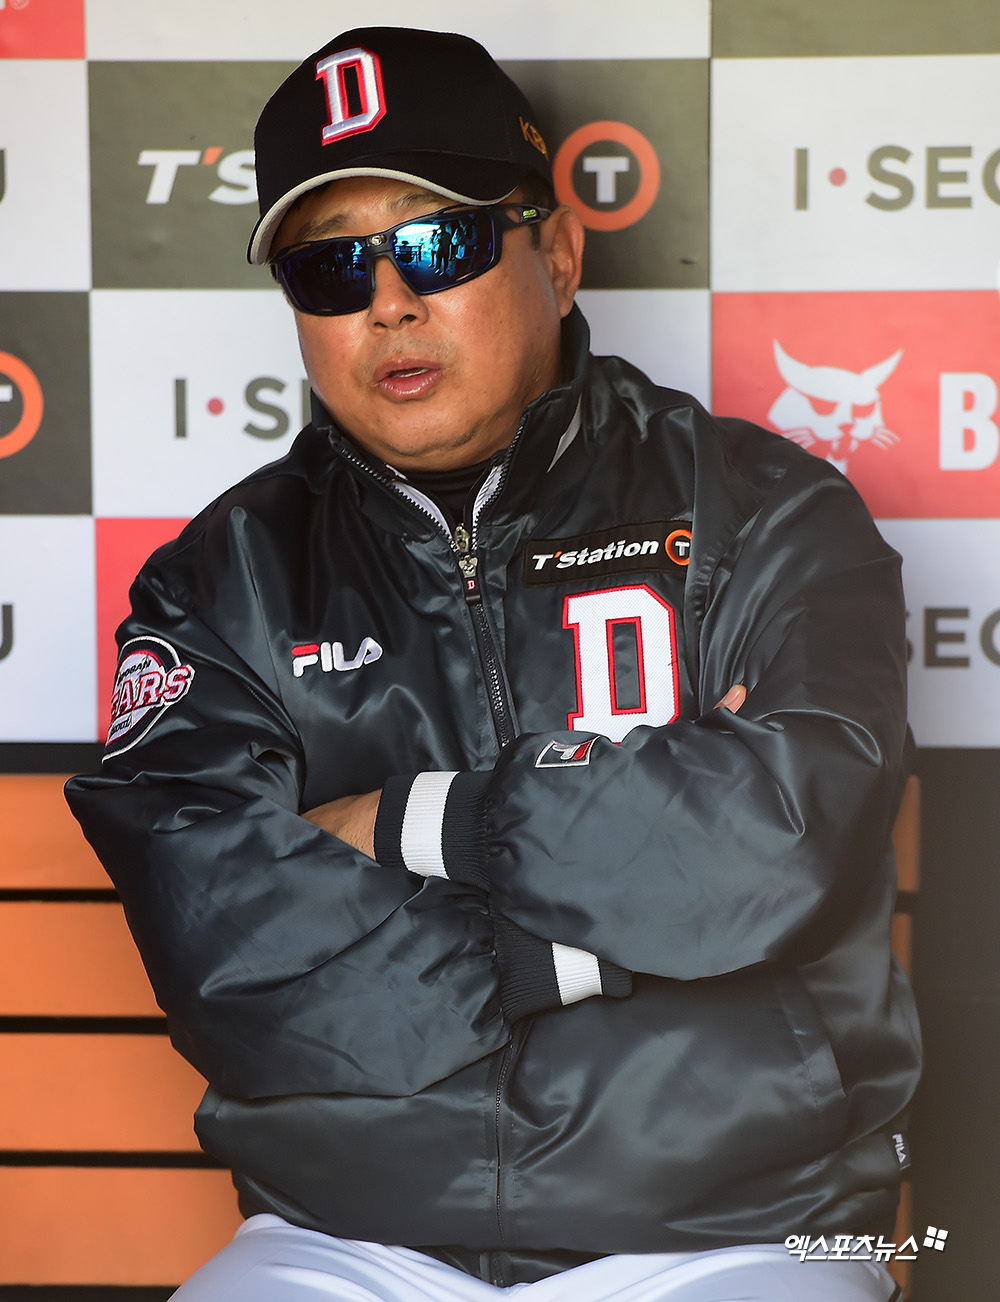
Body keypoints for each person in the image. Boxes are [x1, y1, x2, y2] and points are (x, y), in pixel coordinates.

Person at [66, 25, 920, 1302]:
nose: (388, 303)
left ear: (557, 254)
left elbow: (783, 839)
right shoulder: (219, 581)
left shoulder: (764, 513)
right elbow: (221, 933)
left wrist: (418, 825)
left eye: (438, 243)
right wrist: (612, 932)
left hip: (735, 1225)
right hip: (352, 1235)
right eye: (330, 267)